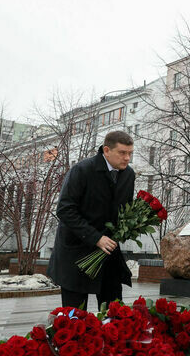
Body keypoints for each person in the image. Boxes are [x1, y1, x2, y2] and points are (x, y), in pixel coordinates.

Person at [48, 131, 135, 310]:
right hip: (76, 254)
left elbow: (124, 209)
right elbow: (65, 210)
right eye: (122, 153)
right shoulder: (82, 170)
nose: (127, 158)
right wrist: (95, 237)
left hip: (108, 255)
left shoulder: (128, 175)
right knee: (75, 319)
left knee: (114, 316)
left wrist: (130, 225)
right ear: (106, 150)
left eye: (130, 153)